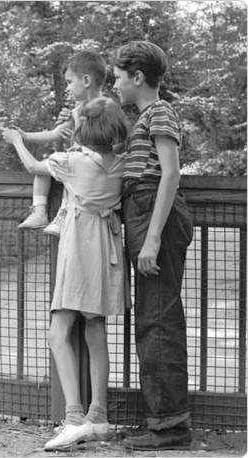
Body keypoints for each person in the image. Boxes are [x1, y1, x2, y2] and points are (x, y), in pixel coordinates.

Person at [2, 96, 129, 451]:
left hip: (80, 246)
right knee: (94, 328)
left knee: (58, 332)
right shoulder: (119, 162)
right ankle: (98, 416)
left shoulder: (72, 162)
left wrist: (17, 141)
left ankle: (73, 416)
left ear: (84, 130)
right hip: (107, 246)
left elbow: (33, 168)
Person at [112, 41, 194, 450]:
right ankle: (163, 421)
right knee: (151, 319)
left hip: (154, 216)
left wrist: (153, 238)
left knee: (157, 321)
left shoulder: (160, 111)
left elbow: (171, 173)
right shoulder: (145, 118)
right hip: (142, 210)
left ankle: (170, 428)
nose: (115, 84)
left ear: (138, 77)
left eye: (119, 76)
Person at [14, 50, 108, 236]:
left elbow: (104, 141)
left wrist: (79, 143)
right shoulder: (76, 110)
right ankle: (39, 211)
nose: (67, 88)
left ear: (86, 81)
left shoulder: (104, 108)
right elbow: (56, 133)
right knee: (46, 167)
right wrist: (25, 136)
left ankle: (63, 214)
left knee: (64, 173)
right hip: (74, 162)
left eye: (70, 82)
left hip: (89, 168)